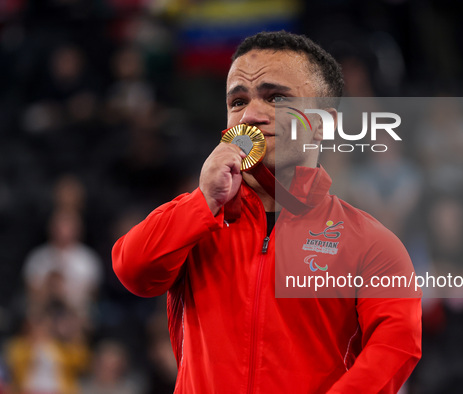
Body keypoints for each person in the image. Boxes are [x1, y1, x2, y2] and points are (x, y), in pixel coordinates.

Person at [113, 31, 421, 393]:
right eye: (238, 101)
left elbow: (396, 346)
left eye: (276, 98)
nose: (252, 115)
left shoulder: (370, 243)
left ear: (323, 124)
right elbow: (134, 271)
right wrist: (202, 201)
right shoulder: (196, 219)